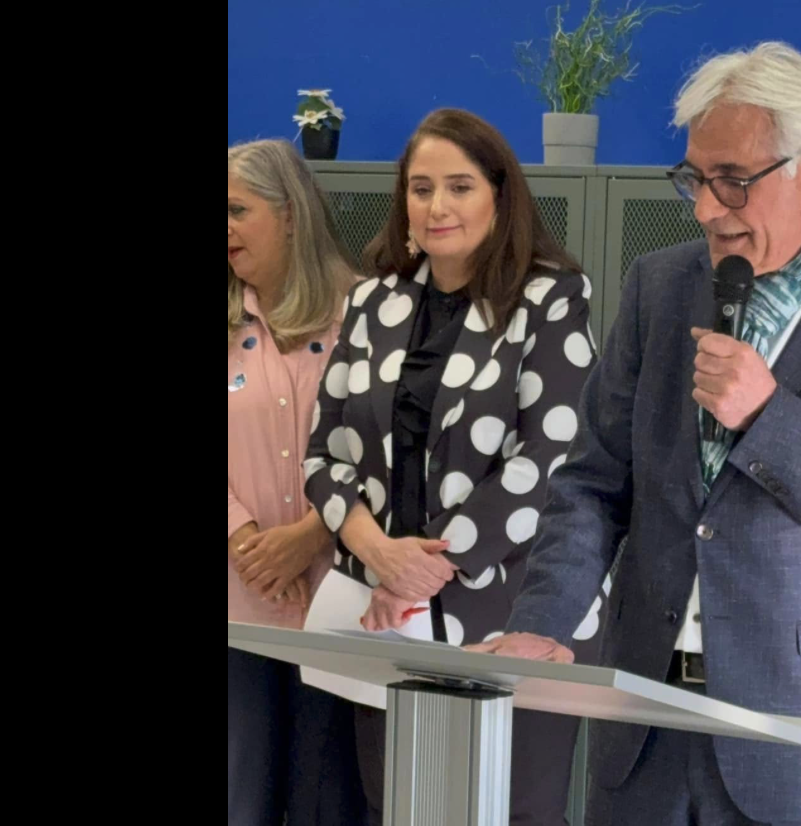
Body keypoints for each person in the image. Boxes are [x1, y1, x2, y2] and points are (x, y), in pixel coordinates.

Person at [474, 42, 801, 826]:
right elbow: (593, 483)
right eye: (694, 178)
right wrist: (540, 624)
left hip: (798, 739)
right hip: (644, 721)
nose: (704, 208)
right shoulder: (659, 285)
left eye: (732, 180)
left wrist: (769, 416)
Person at [302, 108, 608, 825]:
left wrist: (424, 567)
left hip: (514, 609)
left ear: (500, 196)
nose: (437, 206)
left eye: (459, 186)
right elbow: (322, 453)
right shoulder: (371, 302)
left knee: (514, 810)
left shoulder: (552, 297)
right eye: (421, 188)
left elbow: (548, 461)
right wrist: (377, 552)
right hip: (382, 611)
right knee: (400, 805)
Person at [227, 138, 366, 826]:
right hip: (238, 605)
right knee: (241, 796)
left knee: (329, 799)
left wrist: (313, 533)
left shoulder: (363, 314)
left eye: (236, 210)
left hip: (339, 604)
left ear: (288, 215)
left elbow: (386, 445)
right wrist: (246, 540)